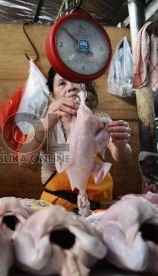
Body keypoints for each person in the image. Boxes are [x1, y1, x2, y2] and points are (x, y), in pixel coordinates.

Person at [18, 68, 132, 211]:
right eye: (62, 84)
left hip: (96, 208)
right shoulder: (44, 125)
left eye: (76, 82)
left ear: (84, 89)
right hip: (55, 207)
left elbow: (123, 156)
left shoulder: (99, 121)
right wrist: (48, 121)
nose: (71, 87)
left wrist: (121, 144)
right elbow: (23, 160)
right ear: (53, 96)